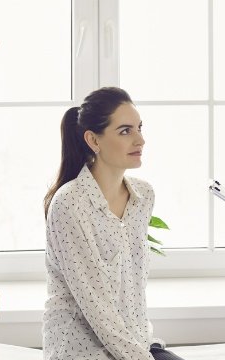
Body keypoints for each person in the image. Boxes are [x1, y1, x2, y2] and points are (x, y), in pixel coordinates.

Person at [42, 87, 184, 360]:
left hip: (135, 345)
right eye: (125, 131)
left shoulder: (143, 197)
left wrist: (146, 349)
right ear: (93, 140)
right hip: (82, 351)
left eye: (139, 128)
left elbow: (134, 291)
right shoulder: (69, 203)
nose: (140, 139)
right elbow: (97, 307)